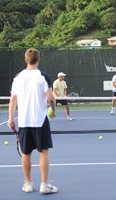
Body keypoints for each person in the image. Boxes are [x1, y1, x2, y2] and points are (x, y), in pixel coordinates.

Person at [7, 48, 58, 194]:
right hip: (40, 121)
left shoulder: (18, 77)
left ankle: (28, 184)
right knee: (43, 152)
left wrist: (11, 119)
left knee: (26, 153)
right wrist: (53, 111)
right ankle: (44, 185)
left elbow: (12, 100)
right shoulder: (43, 76)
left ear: (26, 59)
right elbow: (50, 98)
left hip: (23, 122)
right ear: (38, 59)